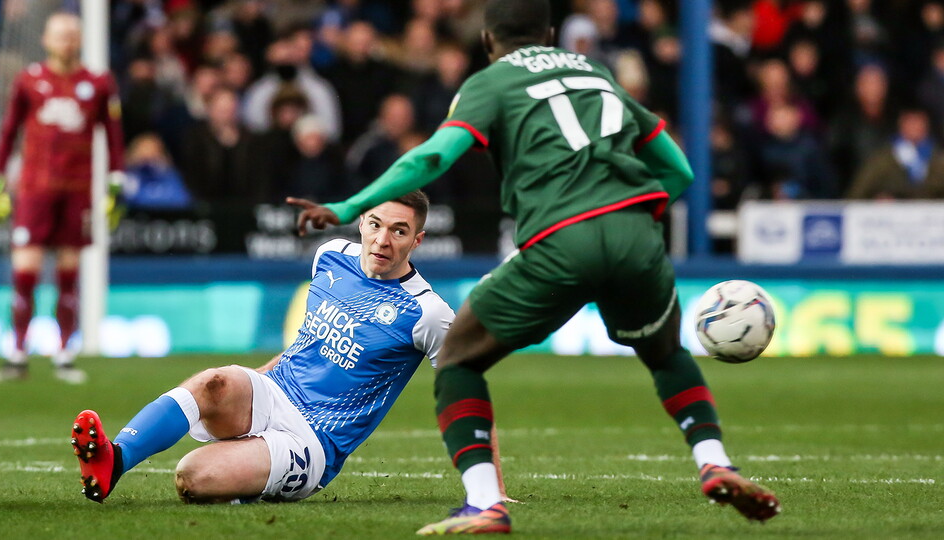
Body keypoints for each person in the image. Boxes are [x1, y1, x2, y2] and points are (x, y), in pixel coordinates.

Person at [287, 0, 781, 534]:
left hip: (560, 238)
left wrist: (346, 206)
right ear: (549, 33)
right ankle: (714, 462)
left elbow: (431, 158)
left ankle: (484, 503)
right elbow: (678, 168)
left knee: (458, 358)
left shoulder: (491, 82)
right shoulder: (596, 73)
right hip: (637, 234)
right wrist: (633, 217)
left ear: (487, 41)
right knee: (665, 355)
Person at [71, 192, 508, 505]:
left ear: (418, 240)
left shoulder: (427, 313)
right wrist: (256, 381)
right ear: (360, 221)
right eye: (375, 225)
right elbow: (307, 344)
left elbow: (466, 391)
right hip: (274, 390)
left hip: (313, 442)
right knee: (216, 382)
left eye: (399, 231)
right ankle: (114, 459)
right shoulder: (331, 256)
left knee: (193, 477)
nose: (382, 240)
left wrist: (492, 490)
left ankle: (255, 471)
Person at [0, 12, 124, 385]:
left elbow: (112, 136)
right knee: (25, 272)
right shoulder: (29, 80)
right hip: (34, 190)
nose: (67, 42)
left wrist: (115, 182)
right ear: (46, 40)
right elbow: (9, 129)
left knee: (68, 274)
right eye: (60, 35)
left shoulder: (98, 83)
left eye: (72, 35)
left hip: (77, 191)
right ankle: (17, 352)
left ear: (80, 40)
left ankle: (63, 353)